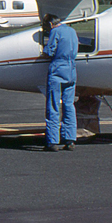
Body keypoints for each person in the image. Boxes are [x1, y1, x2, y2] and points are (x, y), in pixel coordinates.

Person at [43, 14, 78, 152]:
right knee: (69, 105)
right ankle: (70, 140)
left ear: (51, 24)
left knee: (53, 105)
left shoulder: (55, 31)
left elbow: (50, 51)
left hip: (58, 69)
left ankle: (52, 141)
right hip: (71, 70)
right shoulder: (71, 31)